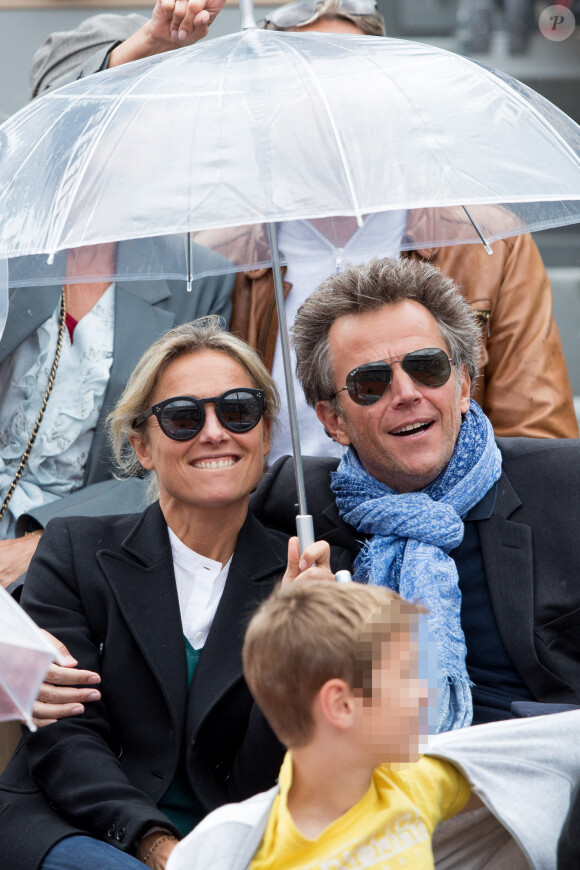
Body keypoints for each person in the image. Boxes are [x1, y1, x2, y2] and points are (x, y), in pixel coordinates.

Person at [28, 0, 579, 463]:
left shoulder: (486, 242)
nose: (332, 98)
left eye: (352, 74)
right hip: (278, 537)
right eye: (308, 76)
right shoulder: (221, 254)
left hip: (449, 532)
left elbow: (538, 437)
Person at [0, 317, 345, 870]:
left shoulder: (311, 574)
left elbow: (272, 776)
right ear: (142, 445)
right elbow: (67, 740)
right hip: (80, 826)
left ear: (263, 430)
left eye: (237, 411)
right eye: (183, 418)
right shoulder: (74, 551)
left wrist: (292, 644)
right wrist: (158, 848)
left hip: (239, 840)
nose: (214, 433)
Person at [248, 257, 580, 729]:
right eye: (370, 383)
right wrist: (297, 639)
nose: (405, 392)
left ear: (464, 385)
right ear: (333, 421)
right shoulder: (292, 507)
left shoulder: (567, 486)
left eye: (427, 367)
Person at [167, 581, 580, 870]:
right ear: (341, 704)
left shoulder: (412, 784)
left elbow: (539, 756)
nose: (427, 694)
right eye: (408, 675)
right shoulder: (227, 848)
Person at [0, 238, 235, 588]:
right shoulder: (12, 243)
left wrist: (47, 542)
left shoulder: (194, 274)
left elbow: (181, 457)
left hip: (79, 548)